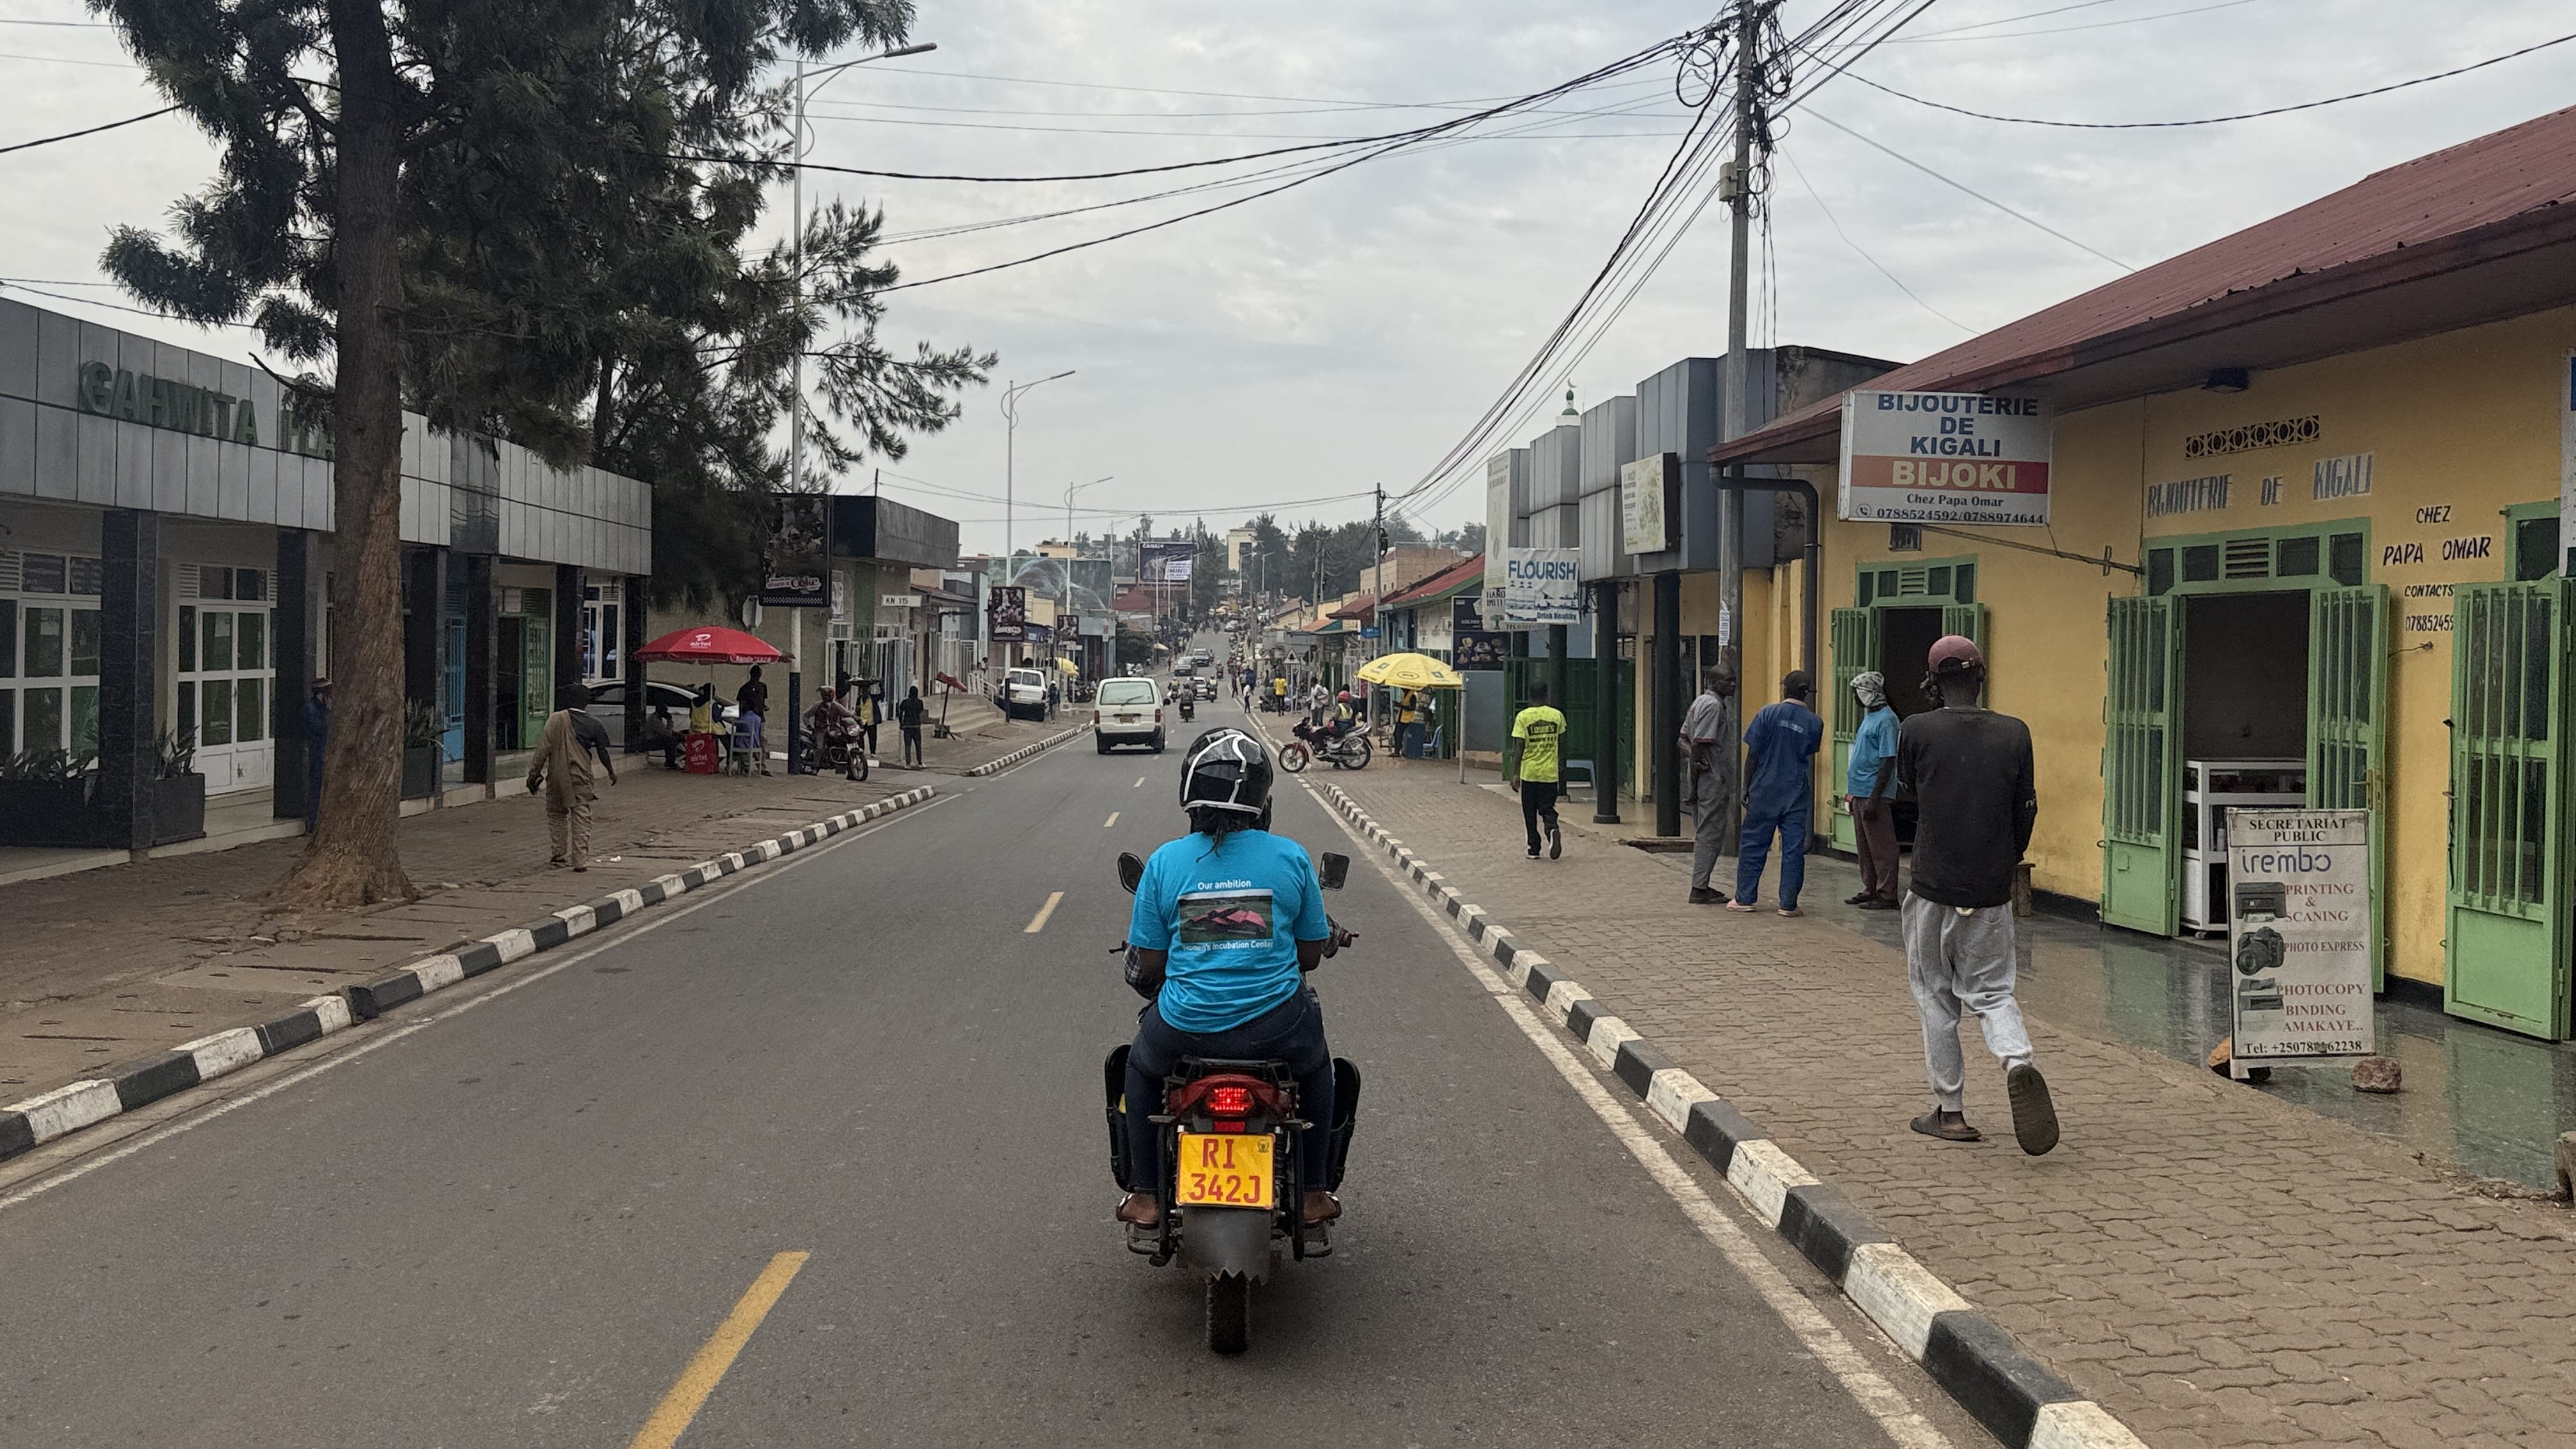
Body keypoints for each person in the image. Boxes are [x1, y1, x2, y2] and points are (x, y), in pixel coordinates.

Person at [1117, 728, 1343, 1230]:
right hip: (1278, 1026)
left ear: (1189, 798)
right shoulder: (1291, 857)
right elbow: (1310, 954)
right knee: (1318, 1066)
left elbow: (1149, 965)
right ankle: (1311, 1194)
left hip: (1184, 1026)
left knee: (1138, 1068)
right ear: (1262, 800)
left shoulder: (1164, 863)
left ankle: (1147, 1196)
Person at [1895, 635, 2055, 1155]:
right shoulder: (2015, 733)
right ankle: (2018, 1062)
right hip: (1990, 888)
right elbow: (2025, 808)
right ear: (1982, 677)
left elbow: (1909, 796)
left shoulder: (1915, 729)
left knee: (1934, 994)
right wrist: (2005, 860)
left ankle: (1951, 1112)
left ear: (1933, 681)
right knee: (1992, 992)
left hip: (1932, 883)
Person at [1728, 670, 1824, 917]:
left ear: (1785, 689)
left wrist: (1746, 786)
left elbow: (1754, 754)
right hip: (1796, 791)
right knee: (1793, 848)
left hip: (1765, 788)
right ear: (1807, 693)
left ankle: (1745, 898)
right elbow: (1809, 750)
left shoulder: (1767, 714)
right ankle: (1788, 904)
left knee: (1754, 844)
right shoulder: (1815, 723)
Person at [527, 684, 617, 871]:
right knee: (581, 815)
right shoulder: (594, 723)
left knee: (556, 814)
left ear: (569, 700)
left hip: (556, 776)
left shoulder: (556, 719)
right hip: (581, 776)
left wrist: (534, 774)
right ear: (587, 701)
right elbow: (602, 751)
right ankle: (580, 861)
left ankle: (559, 854)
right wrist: (611, 771)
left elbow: (542, 749)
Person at [1844, 671, 1901, 909]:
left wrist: (1875, 798)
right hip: (1860, 790)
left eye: (1858, 693)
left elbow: (1887, 759)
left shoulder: (1887, 720)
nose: (1856, 699)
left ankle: (1887, 893)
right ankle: (1871, 887)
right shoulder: (1870, 717)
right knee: (1865, 845)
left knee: (1882, 846)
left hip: (1873, 792)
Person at [1680, 668, 1737, 905]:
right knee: (1710, 834)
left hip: (1701, 776)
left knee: (1705, 830)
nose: (1733, 684)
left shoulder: (1699, 702)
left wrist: (1693, 756)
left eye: (1734, 680)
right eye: (1728, 681)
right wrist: (1695, 784)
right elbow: (1700, 745)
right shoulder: (1713, 707)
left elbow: (1683, 740)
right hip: (1711, 777)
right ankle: (1699, 887)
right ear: (1713, 682)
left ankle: (1702, 884)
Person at [1506, 680, 1568, 861]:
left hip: (1530, 773)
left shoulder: (1523, 717)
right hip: (1549, 773)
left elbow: (1520, 745)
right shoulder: (1557, 716)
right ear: (1547, 695)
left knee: (1529, 811)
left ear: (1529, 696)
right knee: (1548, 808)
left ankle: (1534, 848)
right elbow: (1562, 741)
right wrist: (1561, 761)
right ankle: (1552, 830)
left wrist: (1515, 772)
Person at [300, 678, 332, 833]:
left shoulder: (325, 710)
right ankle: (312, 822)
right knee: (316, 788)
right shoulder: (310, 709)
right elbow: (317, 730)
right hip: (318, 754)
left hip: (327, 753)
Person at [735, 665, 770, 776]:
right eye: (756, 675)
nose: (757, 677)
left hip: (760, 719)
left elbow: (763, 702)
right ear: (751, 675)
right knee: (747, 741)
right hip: (747, 720)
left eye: (759, 675)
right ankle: (744, 765)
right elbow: (741, 707)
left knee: (761, 741)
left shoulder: (763, 687)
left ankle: (762, 766)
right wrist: (741, 721)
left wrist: (763, 708)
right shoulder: (744, 689)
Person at [640, 704, 682, 769]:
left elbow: (665, 731)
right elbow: (667, 733)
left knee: (676, 736)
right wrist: (670, 721)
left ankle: (673, 756)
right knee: (671, 740)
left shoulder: (658, 718)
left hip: (656, 739)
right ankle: (670, 763)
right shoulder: (654, 720)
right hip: (650, 742)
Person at [896, 685, 927, 767]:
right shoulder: (920, 702)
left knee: (908, 745)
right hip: (916, 725)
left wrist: (901, 724)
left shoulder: (905, 702)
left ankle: (908, 763)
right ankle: (920, 762)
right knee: (918, 744)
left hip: (907, 726)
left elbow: (900, 714)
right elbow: (920, 711)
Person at [1393, 688, 1424, 760]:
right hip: (1401, 718)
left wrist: (1401, 706)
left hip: (1407, 719)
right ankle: (1399, 749)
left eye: (1403, 688)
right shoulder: (1405, 694)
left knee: (1399, 735)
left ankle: (1398, 752)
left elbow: (1412, 707)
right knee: (1396, 734)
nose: (1401, 689)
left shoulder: (1413, 696)